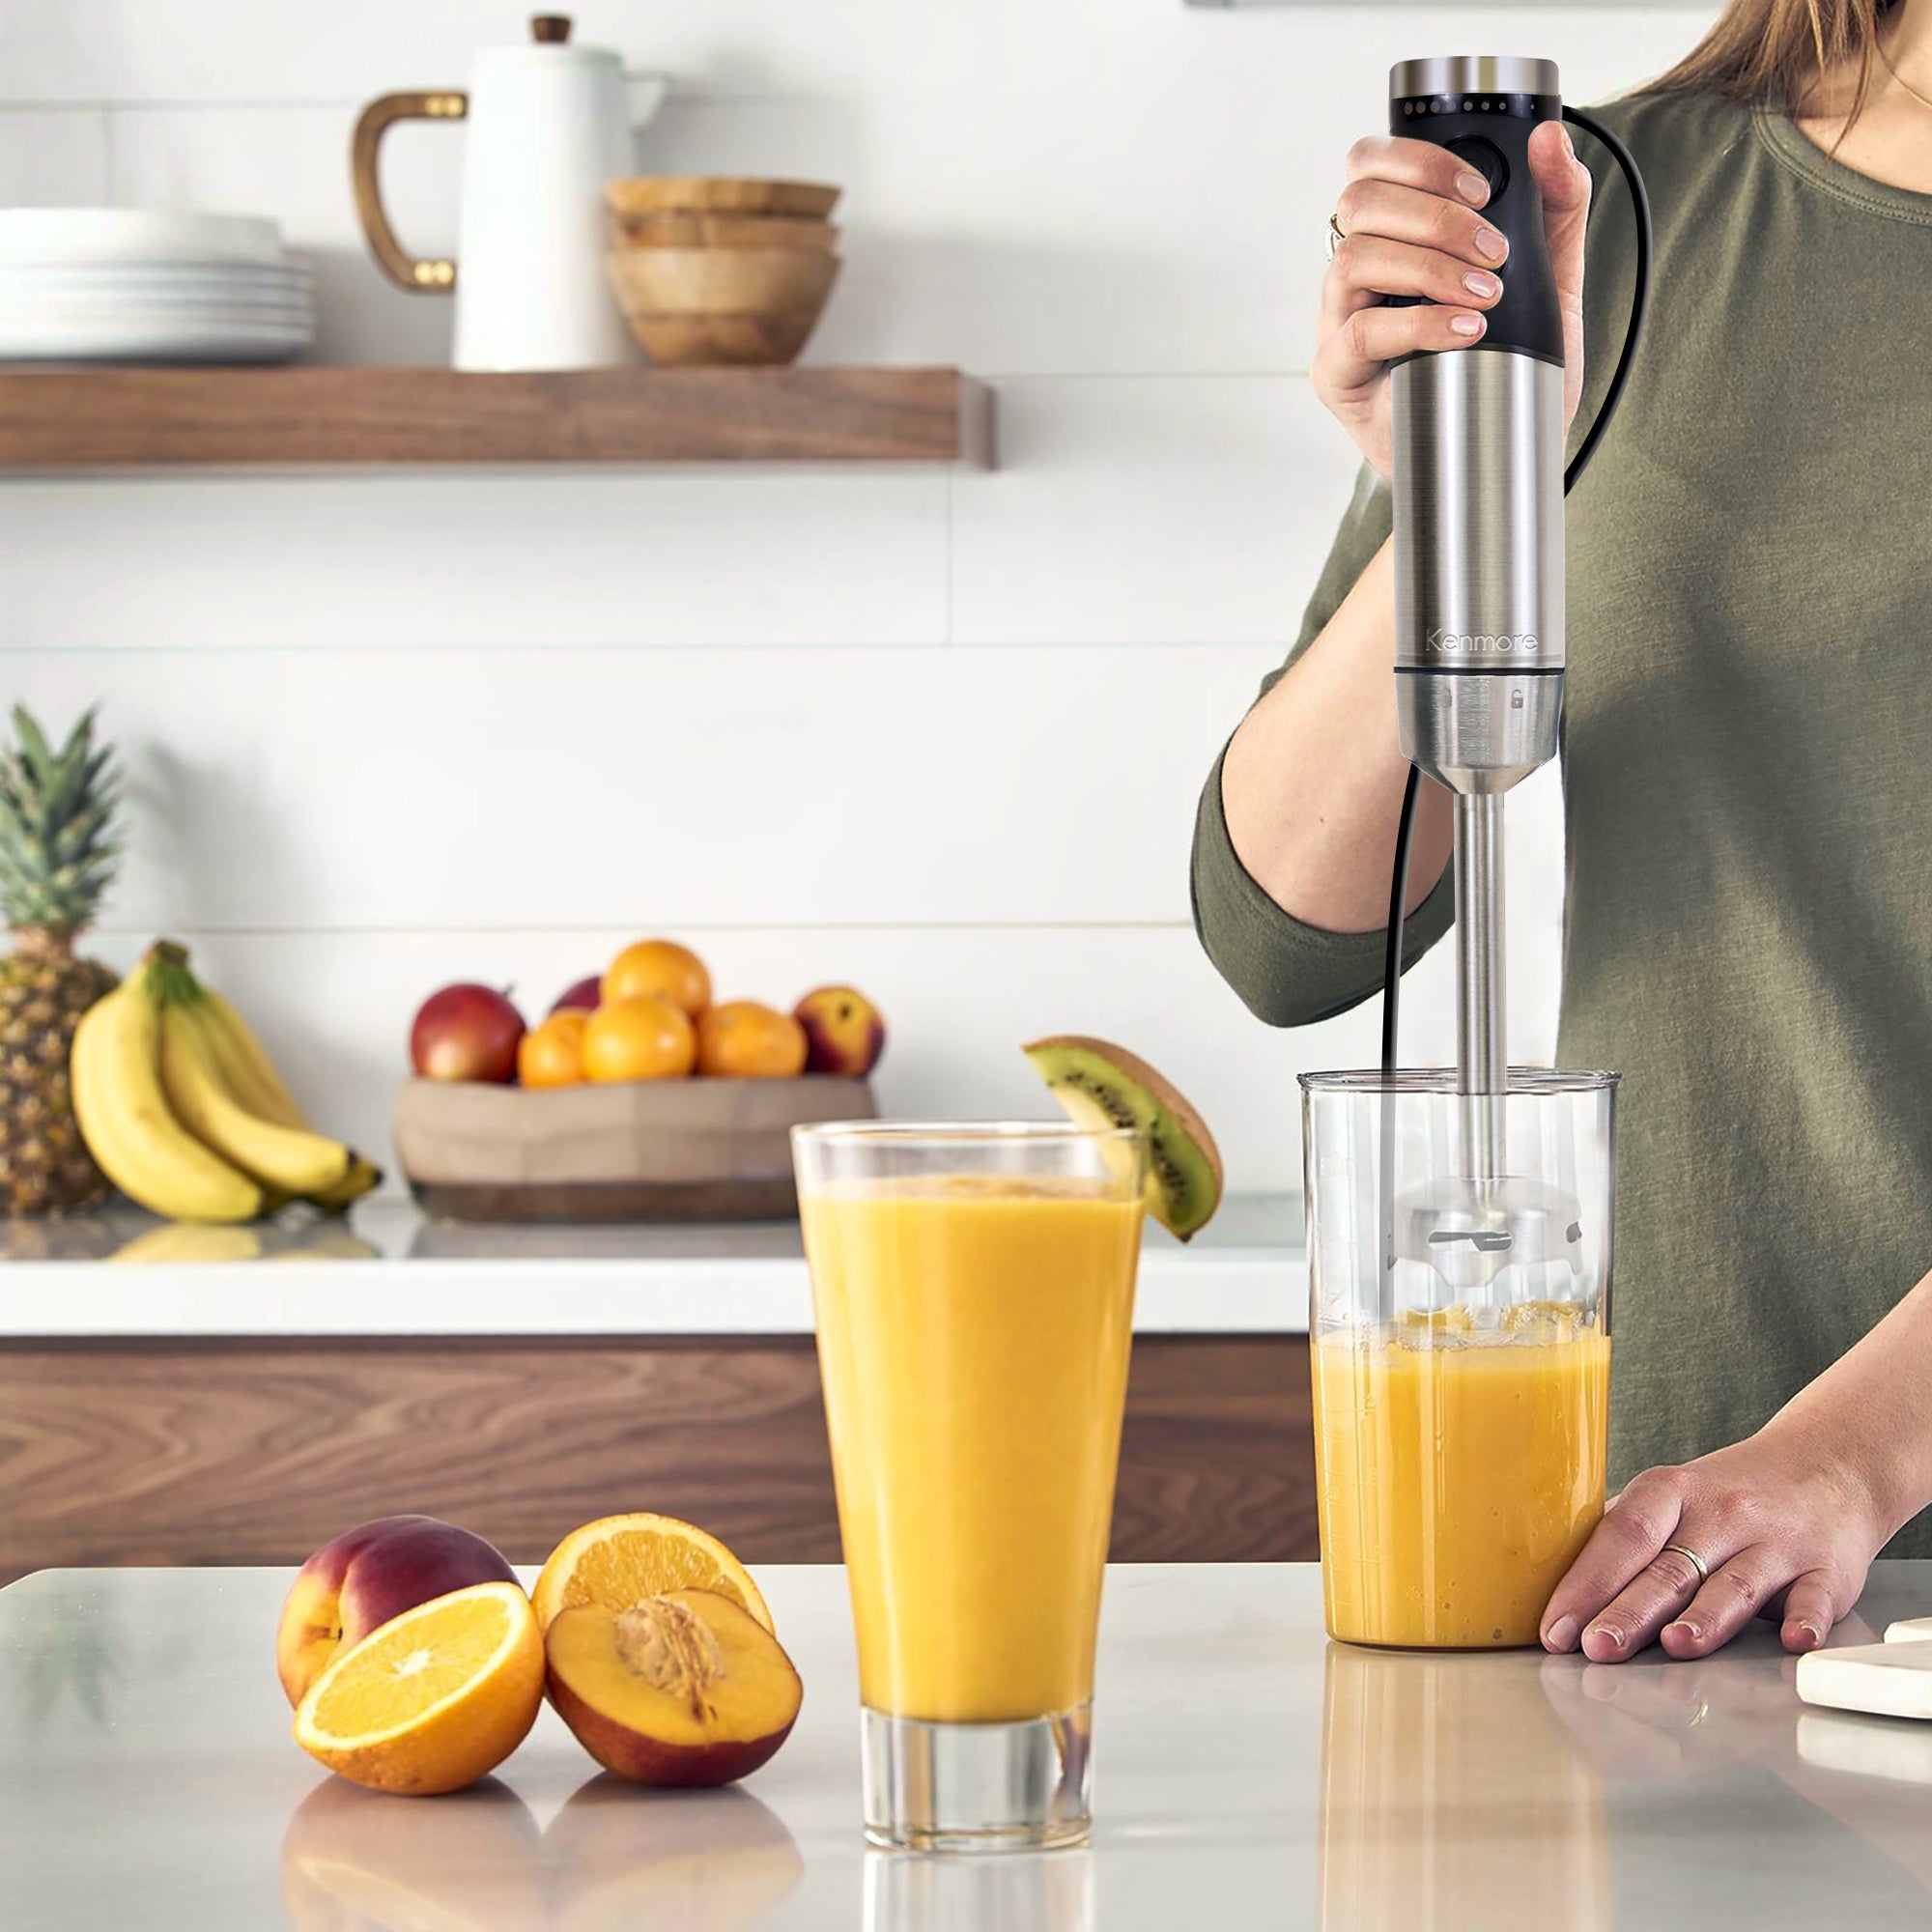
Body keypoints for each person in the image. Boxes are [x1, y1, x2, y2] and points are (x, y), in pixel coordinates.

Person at [1193, 0, 1932, 1664]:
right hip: (1675, 1581)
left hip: (1796, 1511)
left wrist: (1851, 1453)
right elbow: (1285, 932)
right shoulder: (1615, 199)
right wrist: (1454, 488)